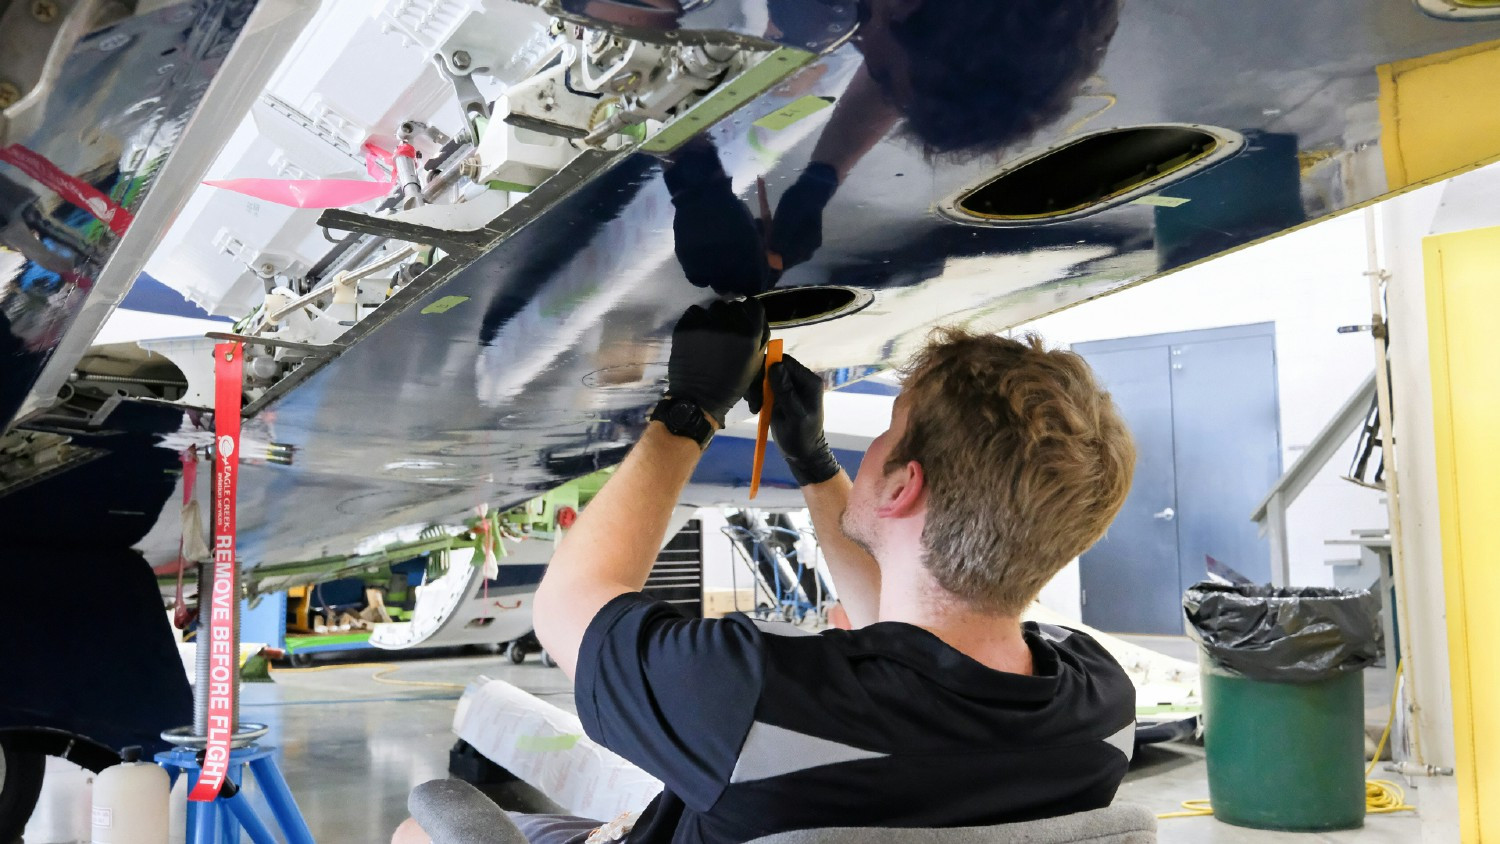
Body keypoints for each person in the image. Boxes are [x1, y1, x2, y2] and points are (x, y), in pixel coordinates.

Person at [397, 297, 1138, 843]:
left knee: (418, 830)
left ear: (904, 485)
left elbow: (569, 606)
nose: (870, 448)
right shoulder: (1101, 709)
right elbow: (914, 643)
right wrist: (812, 462)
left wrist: (689, 411)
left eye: (887, 433)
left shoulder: (750, 694)